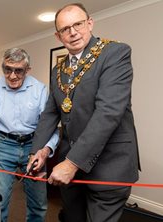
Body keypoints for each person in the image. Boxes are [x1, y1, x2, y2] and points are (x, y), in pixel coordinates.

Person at [29, 3, 140, 222]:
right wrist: (38, 152)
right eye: (65, 29)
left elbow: (108, 112)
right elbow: (50, 113)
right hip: (70, 172)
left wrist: (72, 163)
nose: (73, 32)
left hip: (110, 165)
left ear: (90, 23)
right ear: (58, 36)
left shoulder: (115, 53)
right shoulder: (58, 69)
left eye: (78, 24)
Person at [0, 48, 59, 222]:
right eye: (7, 69)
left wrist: (45, 151)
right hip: (3, 145)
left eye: (18, 70)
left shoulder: (39, 89)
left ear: (27, 70)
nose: (12, 76)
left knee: (38, 203)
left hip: (34, 145)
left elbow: (50, 126)